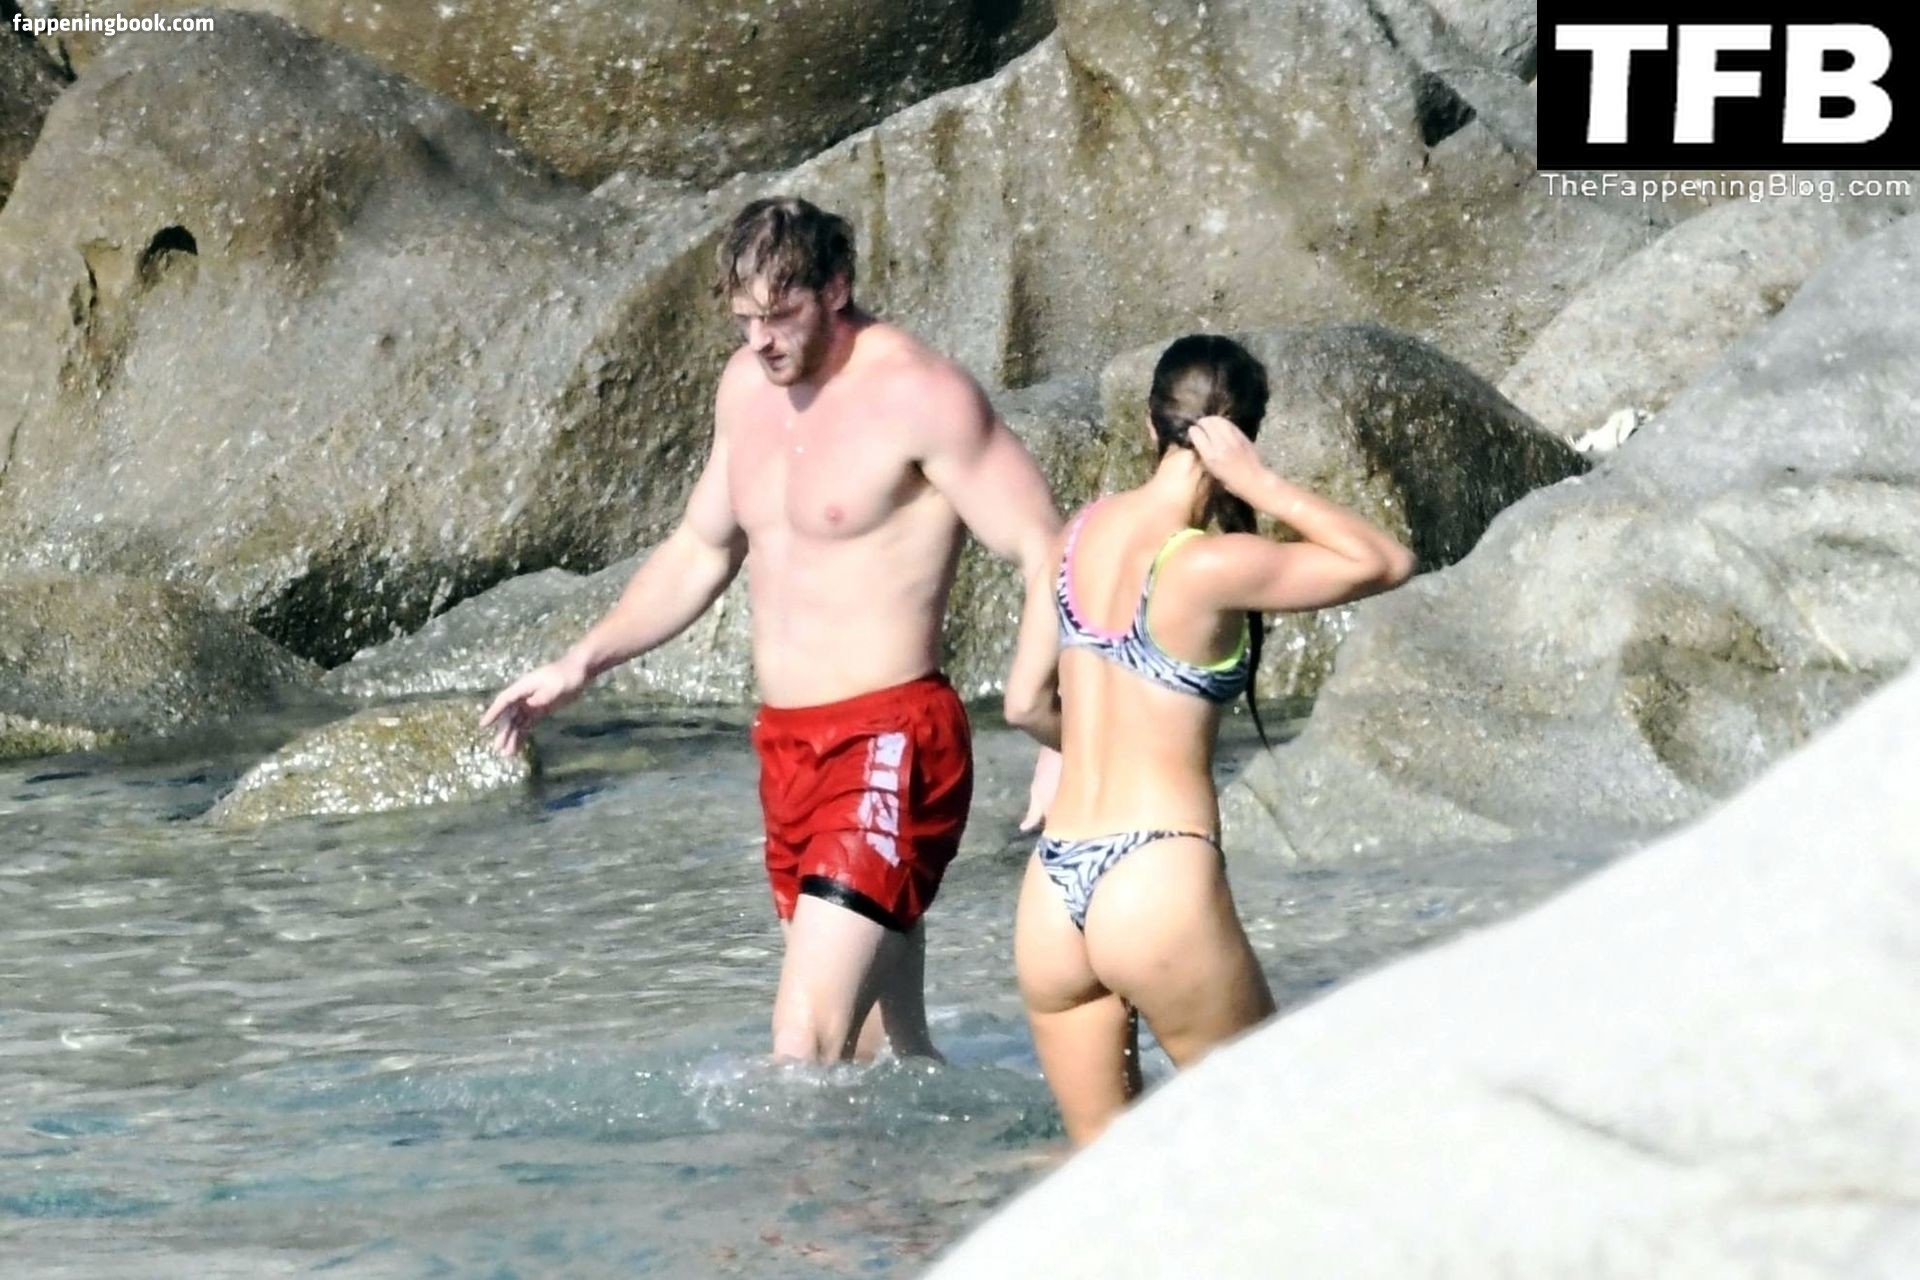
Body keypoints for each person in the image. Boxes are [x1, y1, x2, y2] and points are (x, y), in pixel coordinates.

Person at [481, 197, 1061, 1063]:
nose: (761, 341)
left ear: (837, 289)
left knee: (801, 1045)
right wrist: (582, 662)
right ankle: (1002, 1151)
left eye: (781, 315)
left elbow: (1046, 547)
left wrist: (1060, 731)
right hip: (787, 748)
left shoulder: (919, 395)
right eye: (745, 320)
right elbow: (700, 548)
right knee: (880, 1058)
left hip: (889, 741)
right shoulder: (746, 389)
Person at [1001, 334, 1416, 1144]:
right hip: (1154, 875)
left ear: (1150, 425)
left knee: (1093, 1174)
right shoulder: (1207, 566)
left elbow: (1024, 704)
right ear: (1243, 437)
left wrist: (1089, 751)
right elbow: (1385, 560)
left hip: (1052, 890)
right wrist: (1262, 484)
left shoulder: (1077, 536)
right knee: (1274, 1140)